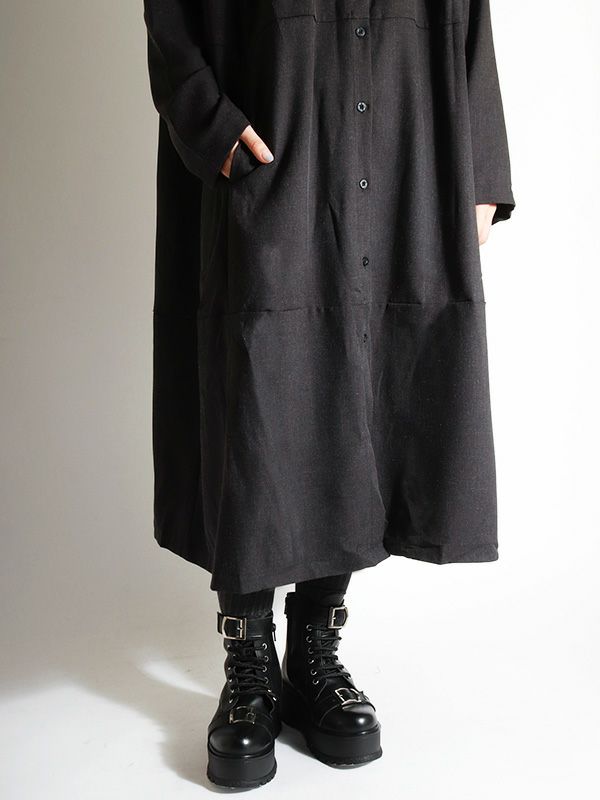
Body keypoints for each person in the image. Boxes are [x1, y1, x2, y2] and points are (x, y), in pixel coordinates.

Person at [142, 0, 515, 788]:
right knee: (256, 393)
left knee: (363, 394)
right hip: (271, 129)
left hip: (404, 133)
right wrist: (207, 118)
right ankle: (248, 661)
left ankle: (314, 649)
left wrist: (480, 165)